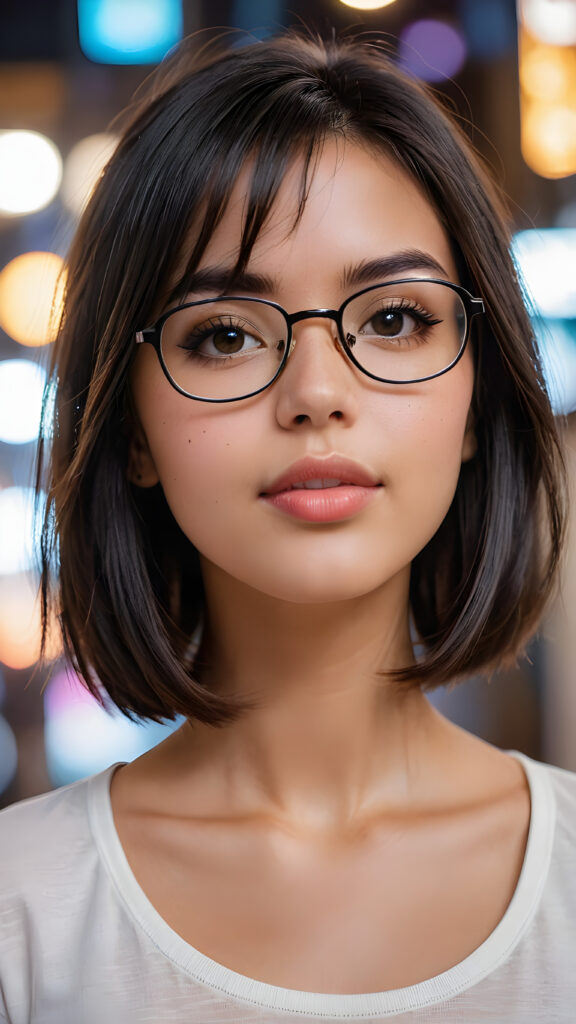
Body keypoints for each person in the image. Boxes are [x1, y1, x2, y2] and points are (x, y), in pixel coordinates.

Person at [0, 27, 574, 1024]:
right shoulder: (22, 915)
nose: (317, 393)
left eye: (394, 318)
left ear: (478, 400)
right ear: (131, 428)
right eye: (223, 334)